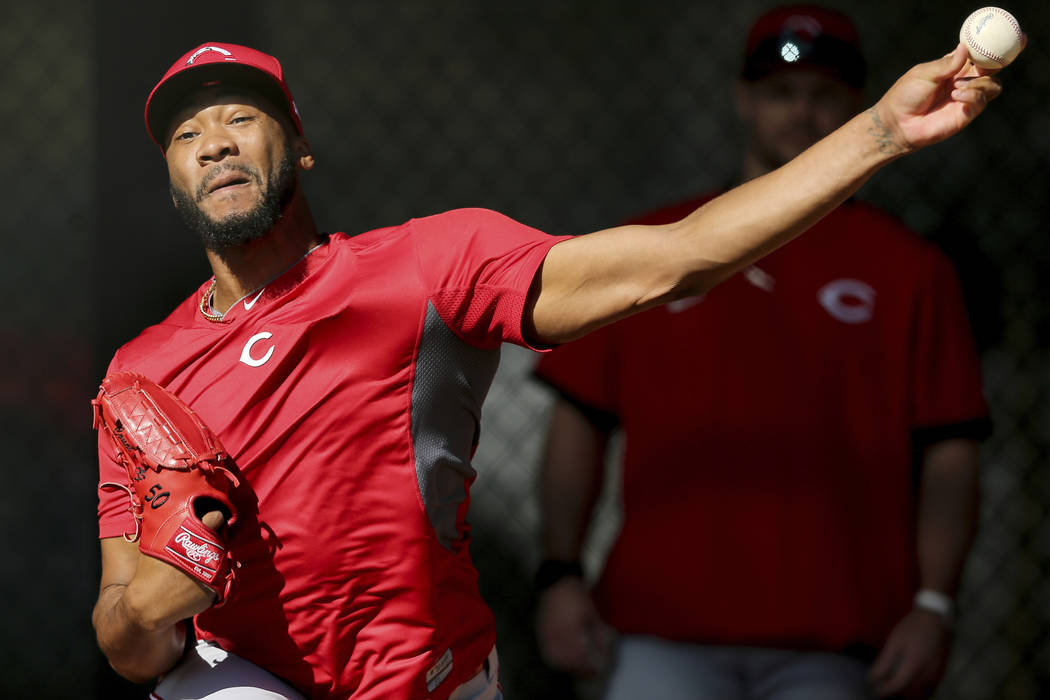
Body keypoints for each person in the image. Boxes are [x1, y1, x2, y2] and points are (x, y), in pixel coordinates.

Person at [91, 30, 1009, 700]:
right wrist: (146, 617)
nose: (213, 141)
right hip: (248, 682)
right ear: (173, 177)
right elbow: (124, 633)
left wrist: (882, 132)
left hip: (429, 678)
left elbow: (674, 259)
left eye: (240, 117)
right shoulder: (140, 373)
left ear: (296, 143)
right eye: (186, 134)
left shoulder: (433, 263)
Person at [532, 6, 996, 700]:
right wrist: (559, 573)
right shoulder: (649, 244)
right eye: (781, 92)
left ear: (857, 104)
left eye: (823, 95)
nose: (800, 113)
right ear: (743, 98)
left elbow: (951, 452)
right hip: (662, 627)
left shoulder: (912, 270)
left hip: (836, 638)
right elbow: (578, 424)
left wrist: (935, 605)